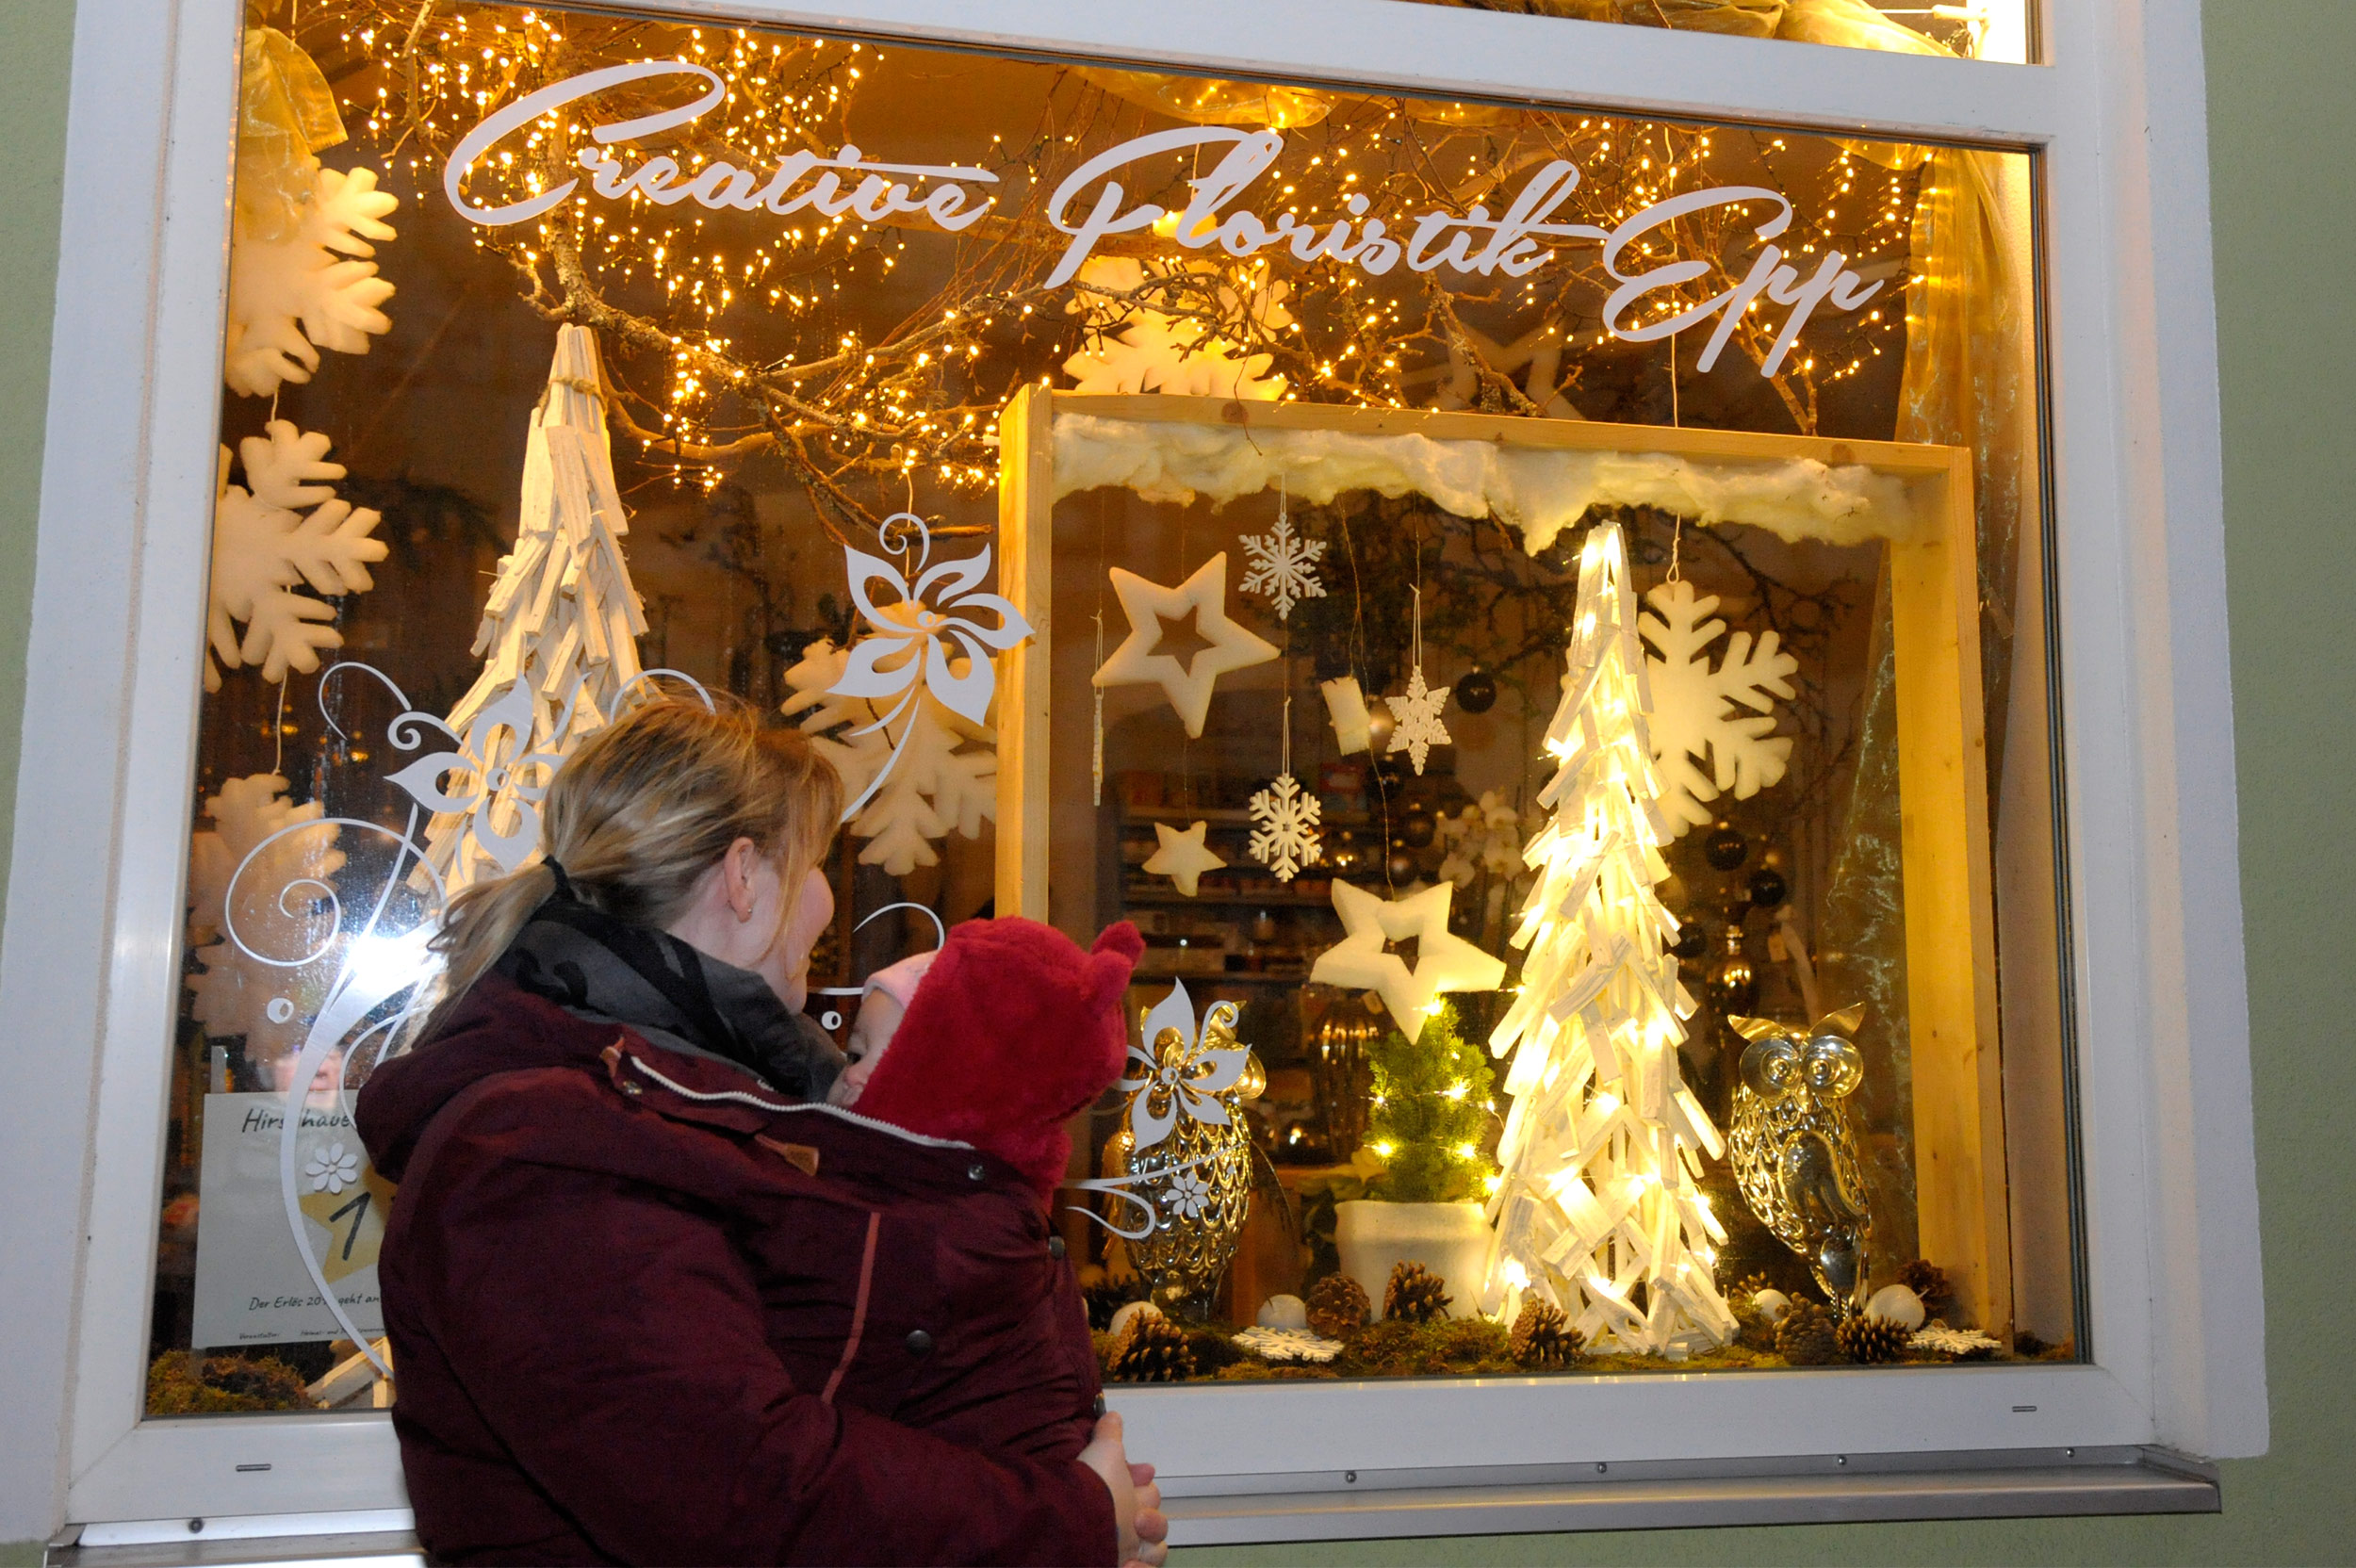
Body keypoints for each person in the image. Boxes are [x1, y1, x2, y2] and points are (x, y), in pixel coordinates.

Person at [355, 698, 1168, 1566]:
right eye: (814, 863)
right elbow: (738, 1490)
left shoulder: (670, 1105)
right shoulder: (541, 1144)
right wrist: (1069, 1520)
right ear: (744, 876)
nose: (826, 899)